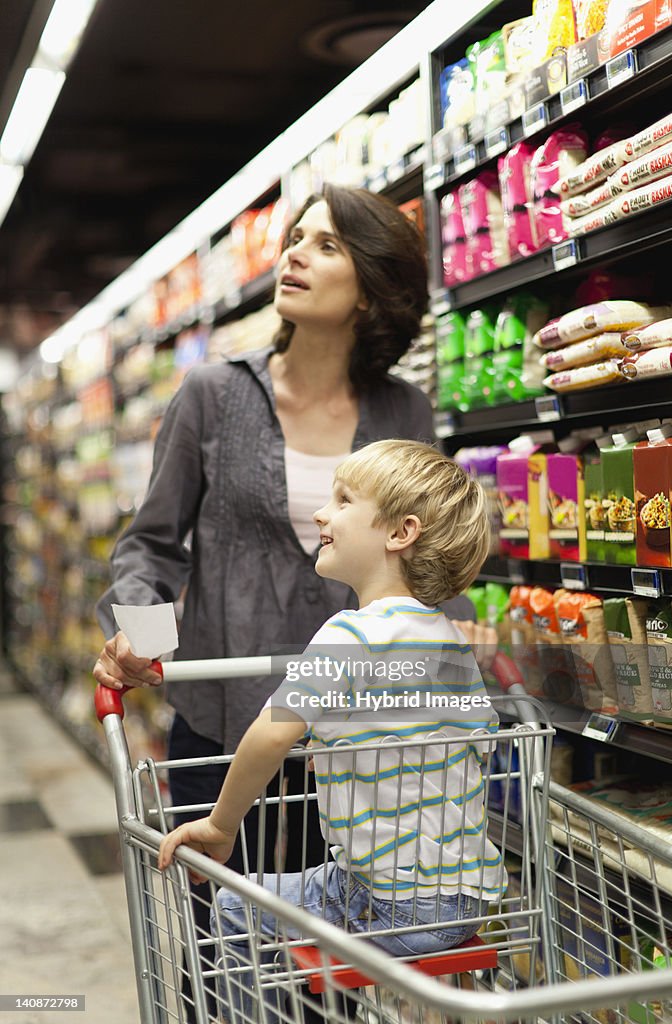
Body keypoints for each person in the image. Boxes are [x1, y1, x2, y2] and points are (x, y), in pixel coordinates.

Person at [93, 184, 494, 1015]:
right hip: (223, 721)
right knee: (226, 950)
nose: (293, 255)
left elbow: (422, 561)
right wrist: (140, 636)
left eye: (327, 245)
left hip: (358, 752)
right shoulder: (214, 392)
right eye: (294, 238)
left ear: (375, 285)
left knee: (335, 979)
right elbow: (152, 544)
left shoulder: (402, 407)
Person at [157, 439, 507, 1024]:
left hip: (388, 904)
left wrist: (221, 826)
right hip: (466, 898)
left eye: (344, 500)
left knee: (235, 905)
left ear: (400, 533)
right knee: (321, 881)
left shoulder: (349, 633)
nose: (322, 513)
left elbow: (271, 735)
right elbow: (454, 735)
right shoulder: (449, 637)